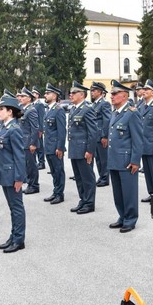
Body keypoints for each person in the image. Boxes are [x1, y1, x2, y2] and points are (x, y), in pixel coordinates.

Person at [106, 81, 143, 233]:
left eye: (115, 94)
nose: (112, 96)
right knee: (118, 192)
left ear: (124, 95)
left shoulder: (132, 113)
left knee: (129, 191)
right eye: (112, 93)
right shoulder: (115, 113)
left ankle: (130, 219)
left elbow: (138, 140)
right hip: (114, 159)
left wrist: (135, 161)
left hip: (126, 161)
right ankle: (122, 216)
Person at [0, 95, 27, 253]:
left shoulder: (14, 130)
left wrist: (19, 178)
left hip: (13, 175)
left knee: (17, 207)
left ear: (10, 111)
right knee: (12, 207)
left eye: (1, 109)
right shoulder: (5, 127)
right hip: (5, 174)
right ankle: (13, 236)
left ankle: (19, 240)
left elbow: (20, 156)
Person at [67, 81, 98, 214]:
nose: (71, 95)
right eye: (71, 93)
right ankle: (83, 199)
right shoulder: (74, 108)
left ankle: (89, 203)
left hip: (84, 150)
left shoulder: (88, 108)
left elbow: (93, 132)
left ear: (81, 94)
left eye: (74, 93)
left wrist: (90, 151)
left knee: (87, 178)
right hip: (74, 149)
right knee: (79, 177)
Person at [42, 83, 67, 205]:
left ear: (55, 95)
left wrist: (60, 147)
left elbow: (62, 131)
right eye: (45, 93)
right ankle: (55, 191)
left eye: (47, 93)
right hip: (48, 146)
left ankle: (59, 194)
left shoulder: (58, 110)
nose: (45, 95)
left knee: (58, 171)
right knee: (53, 171)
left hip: (55, 147)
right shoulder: (49, 110)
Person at [16, 87, 40, 194]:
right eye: (20, 96)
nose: (21, 98)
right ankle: (30, 183)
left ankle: (34, 185)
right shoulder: (23, 109)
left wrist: (33, 143)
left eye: (23, 96)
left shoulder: (31, 110)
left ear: (29, 99)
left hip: (29, 142)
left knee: (31, 165)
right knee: (27, 164)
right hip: (23, 141)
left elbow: (35, 128)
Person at [90, 82, 111, 187]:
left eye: (94, 91)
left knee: (103, 158)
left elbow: (107, 120)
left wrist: (105, 136)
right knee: (98, 158)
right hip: (95, 136)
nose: (92, 93)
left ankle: (105, 178)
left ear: (100, 92)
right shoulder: (94, 104)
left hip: (101, 136)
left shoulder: (104, 104)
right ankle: (101, 176)